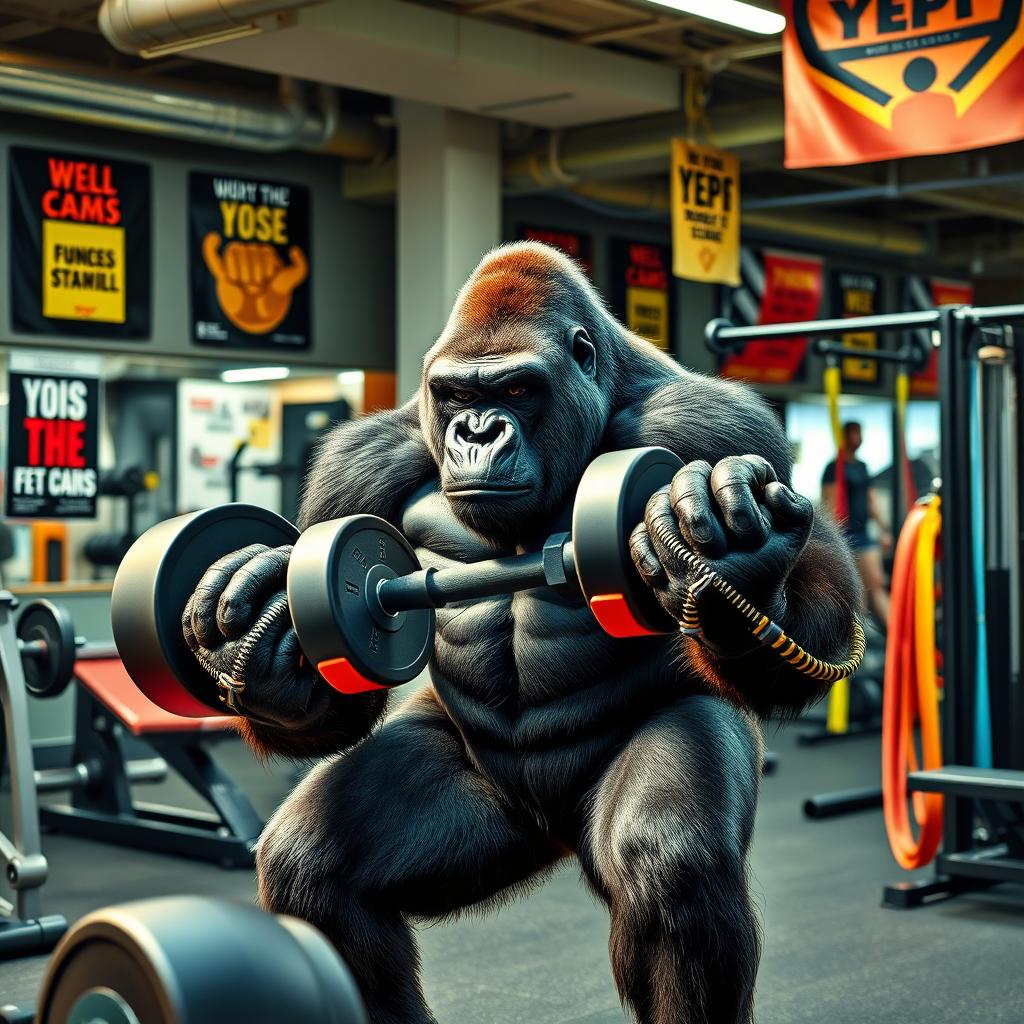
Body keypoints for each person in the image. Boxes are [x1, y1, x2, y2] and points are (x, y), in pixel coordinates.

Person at [821, 420, 891, 626]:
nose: (857, 439)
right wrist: (832, 539)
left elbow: (871, 501)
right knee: (857, 595)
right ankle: (858, 646)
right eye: (853, 434)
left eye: (860, 434)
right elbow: (830, 503)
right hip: (845, 534)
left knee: (877, 583)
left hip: (863, 533)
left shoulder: (862, 467)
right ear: (844, 436)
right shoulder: (834, 468)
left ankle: (898, 637)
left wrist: (884, 528)